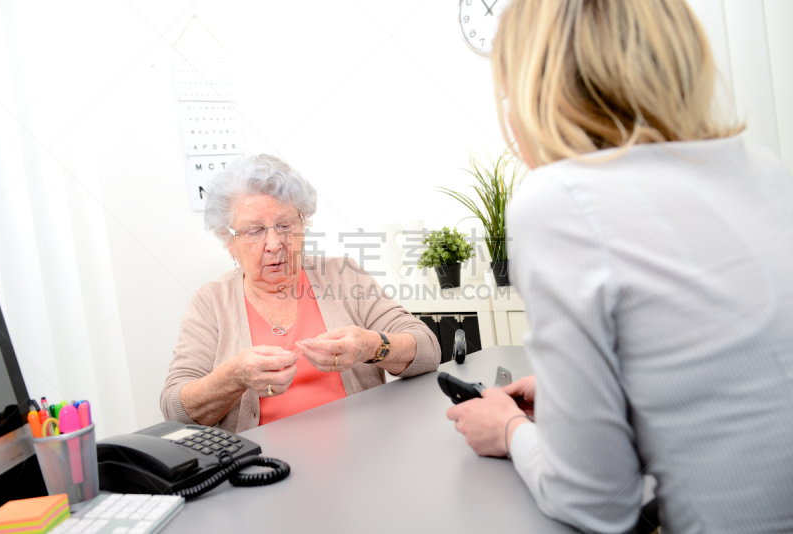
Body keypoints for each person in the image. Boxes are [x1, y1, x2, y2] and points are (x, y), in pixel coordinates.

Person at [447, 1, 793, 533]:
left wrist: (509, 429)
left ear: (535, 89)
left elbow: (596, 504)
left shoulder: (558, 201)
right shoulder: (760, 170)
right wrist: (583, 393)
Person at [161, 154, 440, 433]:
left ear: (303, 224)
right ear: (228, 240)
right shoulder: (210, 302)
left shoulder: (342, 274)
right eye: (255, 231)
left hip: (364, 450)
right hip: (263, 468)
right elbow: (176, 411)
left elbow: (428, 349)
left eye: (285, 225)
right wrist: (233, 377)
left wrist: (370, 345)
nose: (274, 243)